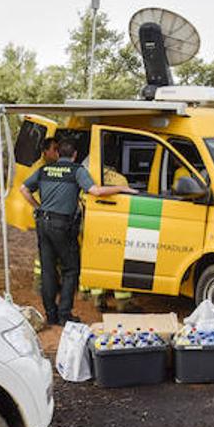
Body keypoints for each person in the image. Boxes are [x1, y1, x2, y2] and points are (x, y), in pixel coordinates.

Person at [20, 136, 134, 325]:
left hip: (43, 223)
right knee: (70, 270)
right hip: (62, 226)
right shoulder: (76, 171)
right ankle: (65, 314)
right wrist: (122, 188)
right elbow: (95, 191)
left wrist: (37, 206)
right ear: (74, 155)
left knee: (48, 270)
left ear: (57, 153)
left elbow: (24, 189)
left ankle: (51, 315)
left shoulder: (45, 170)